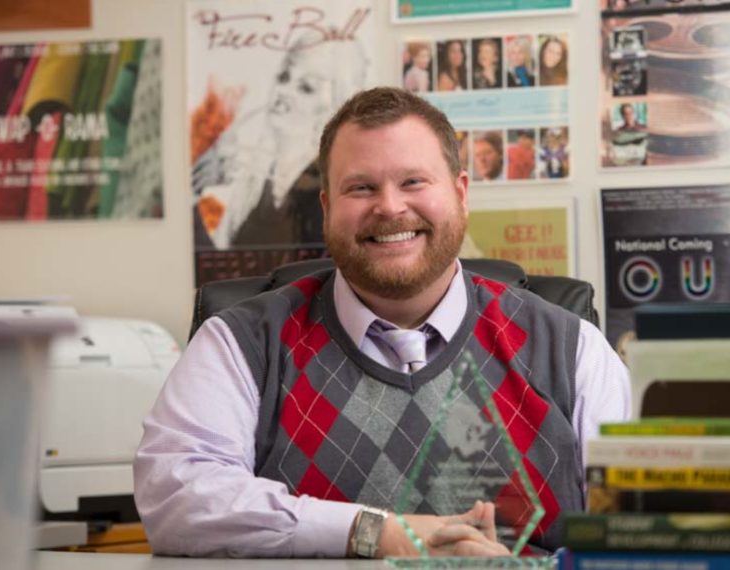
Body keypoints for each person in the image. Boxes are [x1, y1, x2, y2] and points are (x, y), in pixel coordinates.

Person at [135, 87, 630, 558]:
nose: (390, 207)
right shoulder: (241, 342)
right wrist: (376, 533)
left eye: (413, 181)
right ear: (327, 207)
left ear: (460, 193)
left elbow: (637, 533)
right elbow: (176, 499)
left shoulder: (572, 350)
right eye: (361, 187)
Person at [191, 32, 367, 270]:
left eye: (306, 87)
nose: (283, 91)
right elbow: (221, 276)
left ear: (335, 105)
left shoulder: (333, 188)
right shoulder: (252, 181)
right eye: (284, 77)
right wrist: (195, 193)